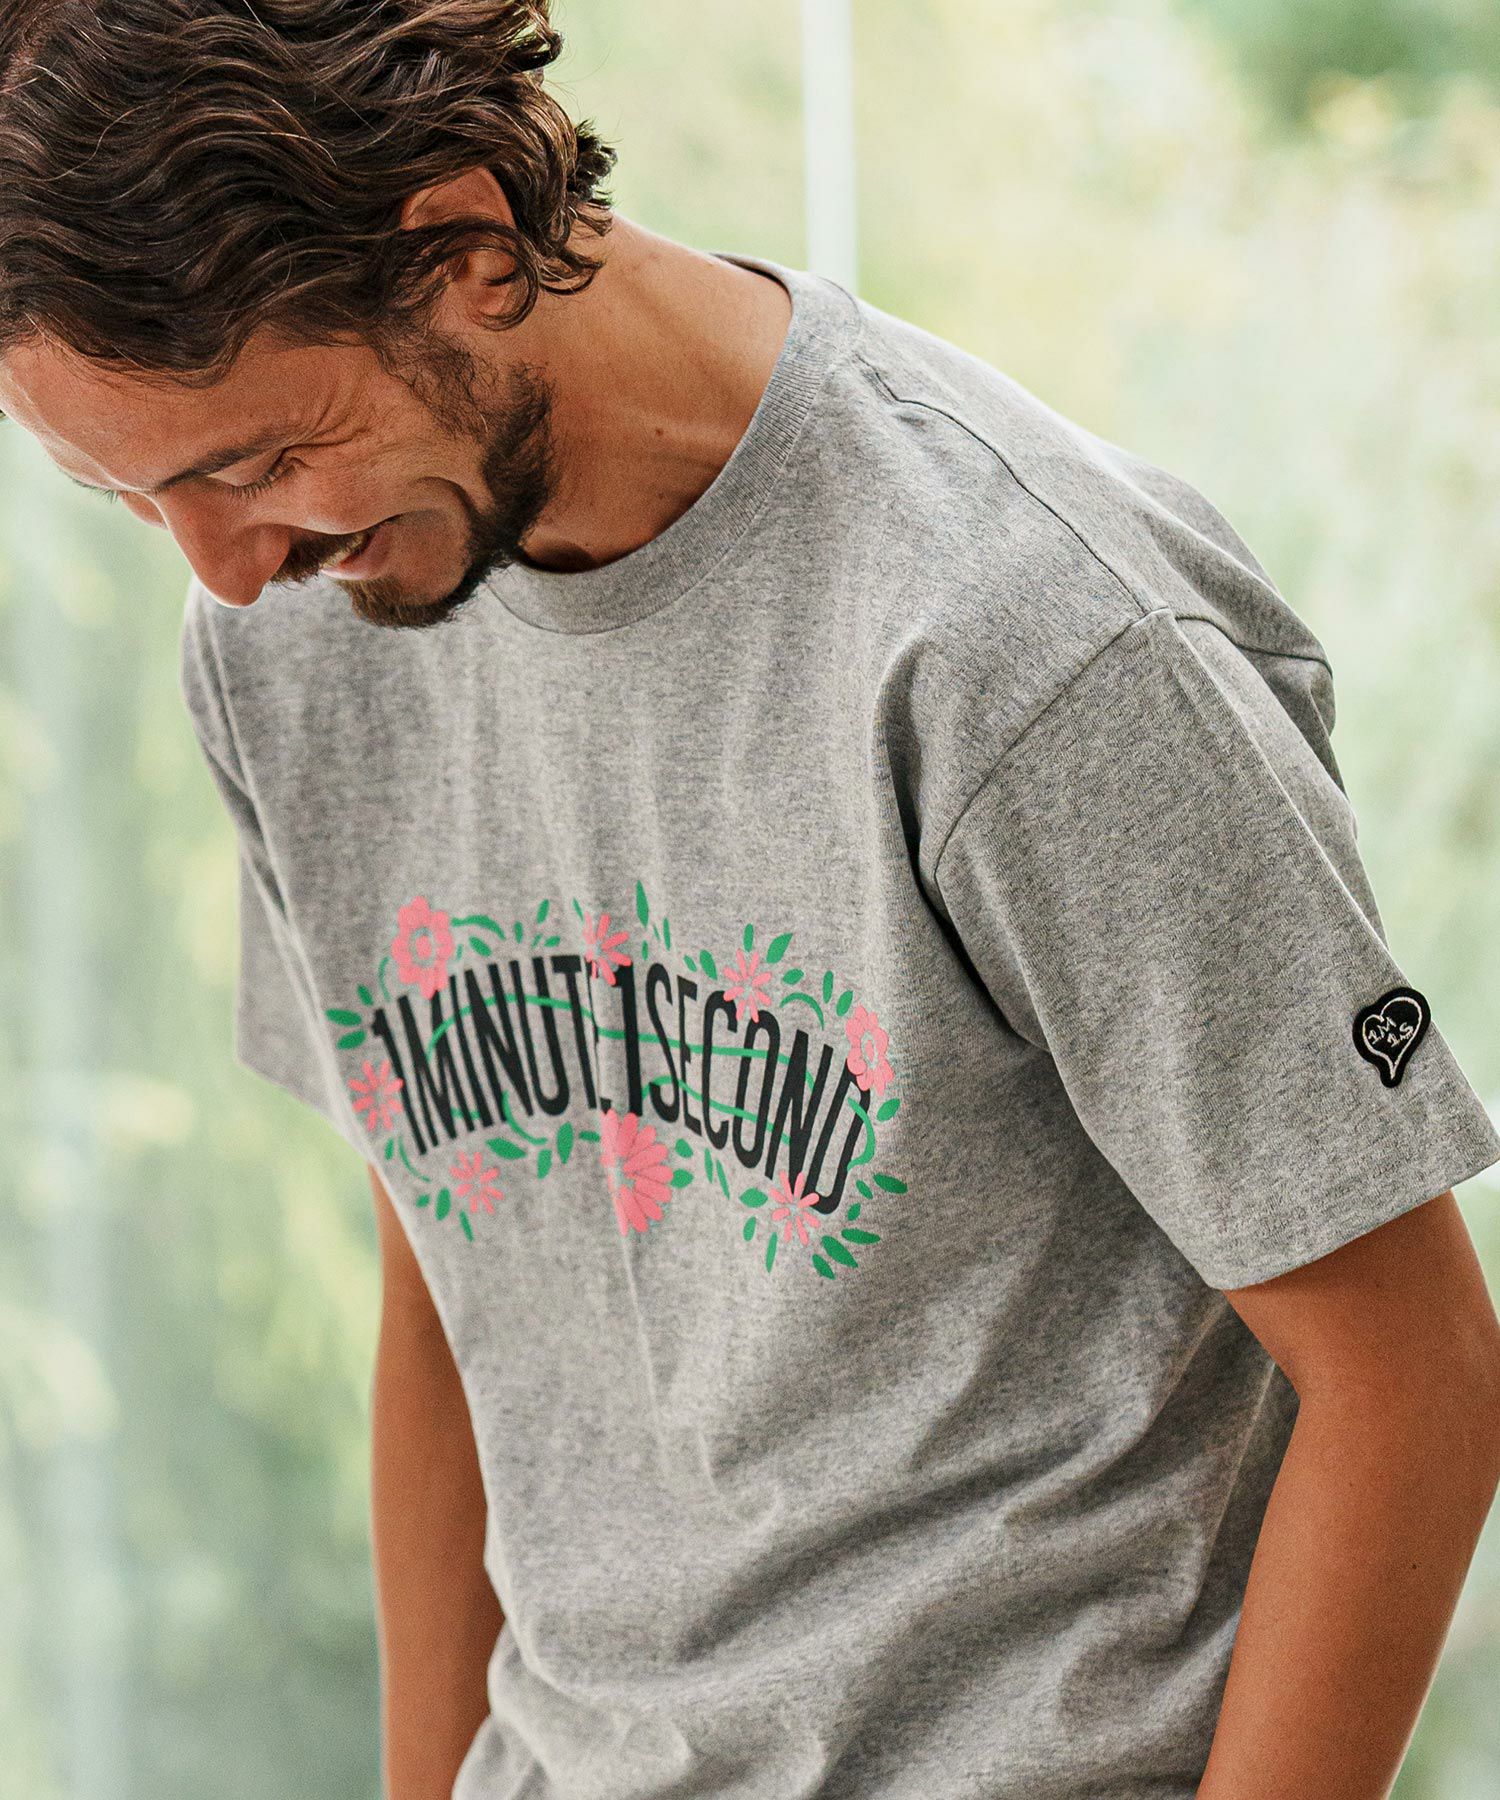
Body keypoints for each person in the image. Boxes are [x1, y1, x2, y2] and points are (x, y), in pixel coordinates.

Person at [3, 3, 1499, 1797]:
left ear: (464, 245)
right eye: (136, 499)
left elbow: (1412, 1379)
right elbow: (456, 1267)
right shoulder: (302, 642)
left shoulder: (1023, 640)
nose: (230, 571)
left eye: (250, 462)